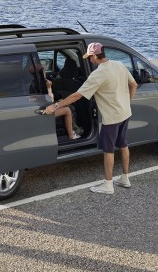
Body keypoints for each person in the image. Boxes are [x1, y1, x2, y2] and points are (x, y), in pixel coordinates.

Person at [43, 42, 136, 194]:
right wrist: (127, 103)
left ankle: (108, 185)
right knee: (123, 144)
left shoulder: (98, 74)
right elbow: (134, 85)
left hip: (111, 118)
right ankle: (125, 178)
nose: (90, 60)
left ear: (95, 56)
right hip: (125, 113)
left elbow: (77, 95)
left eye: (90, 58)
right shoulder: (119, 65)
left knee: (108, 150)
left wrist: (56, 105)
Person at [27, 58, 80, 140]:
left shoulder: (33, 83)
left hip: (36, 108)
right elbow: (50, 100)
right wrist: (49, 88)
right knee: (67, 110)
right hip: (41, 111)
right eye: (43, 70)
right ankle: (71, 135)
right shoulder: (44, 84)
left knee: (61, 104)